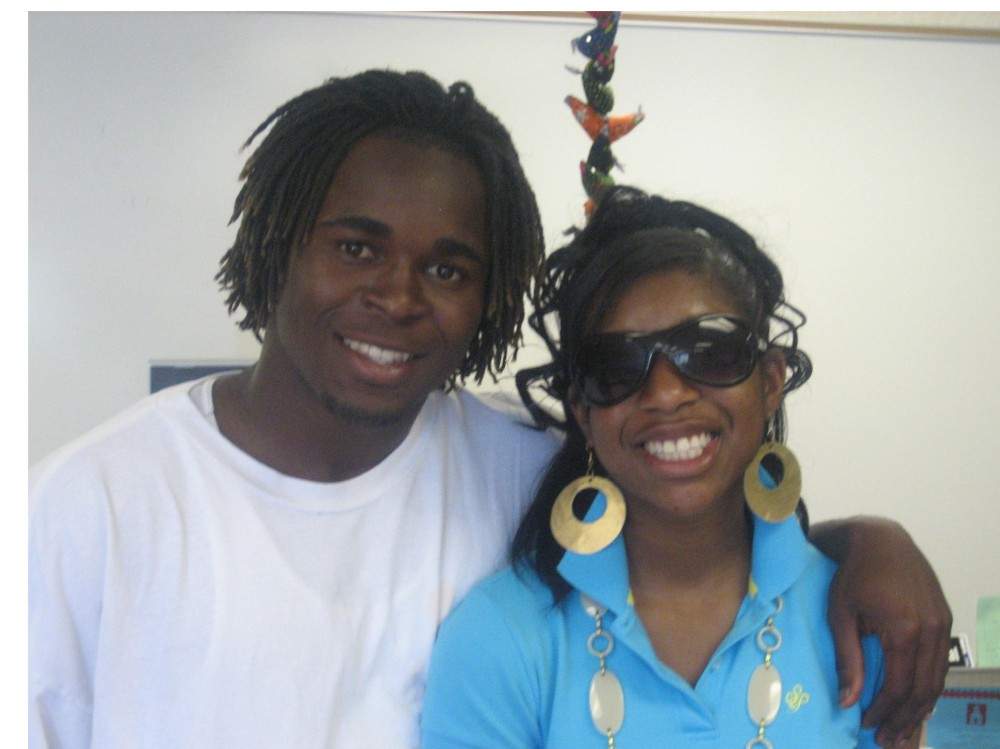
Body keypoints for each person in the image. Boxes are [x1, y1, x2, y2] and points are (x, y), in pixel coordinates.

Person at [30, 71, 946, 748]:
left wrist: (870, 542)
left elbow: (690, 497)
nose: (398, 296)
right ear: (275, 245)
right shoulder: (82, 508)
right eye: (356, 247)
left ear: (489, 298)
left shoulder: (512, 457)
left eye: (447, 267)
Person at [421, 186, 935, 748]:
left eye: (709, 352)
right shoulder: (500, 638)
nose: (666, 394)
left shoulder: (864, 620)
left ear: (770, 382)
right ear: (583, 413)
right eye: (618, 367)